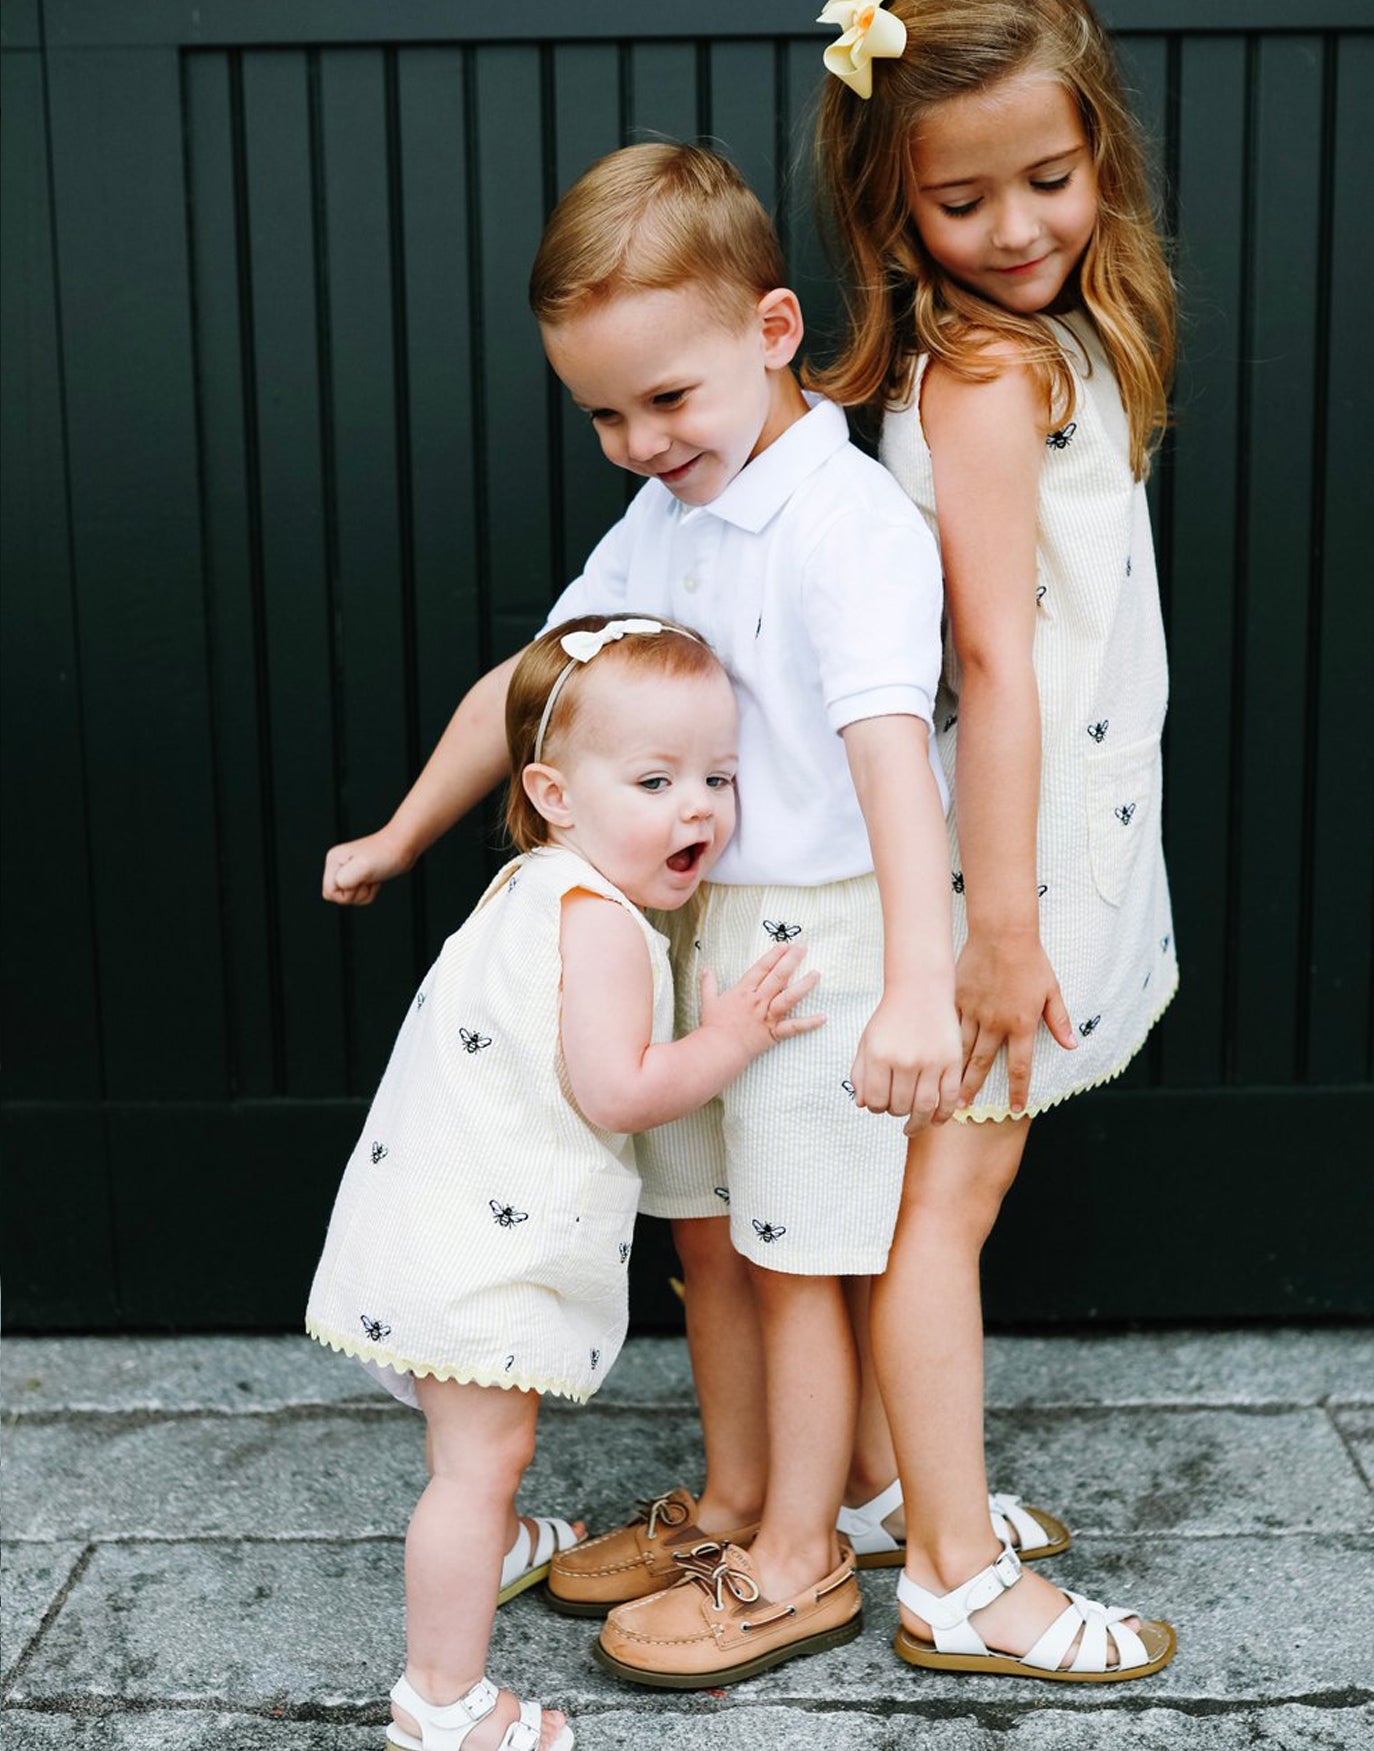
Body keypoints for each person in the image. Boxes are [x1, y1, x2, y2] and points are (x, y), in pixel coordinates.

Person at [323, 141, 977, 1686]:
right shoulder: (672, 516)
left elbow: (895, 757)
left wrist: (917, 982)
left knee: (803, 1253)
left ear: (770, 330)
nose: (634, 440)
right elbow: (531, 684)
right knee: (708, 1243)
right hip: (691, 929)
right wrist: (407, 829)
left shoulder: (845, 522)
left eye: (663, 400)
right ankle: (738, 1496)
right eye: (602, 412)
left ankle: (800, 1554)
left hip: (820, 935)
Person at [806, 0, 1179, 1679]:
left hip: (1043, 824)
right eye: (966, 206)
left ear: (1095, 148)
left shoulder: (1044, 340)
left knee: (942, 1193)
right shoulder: (981, 376)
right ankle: (953, 1575)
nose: (1018, 228)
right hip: (995, 854)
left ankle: (893, 1486)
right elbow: (986, 659)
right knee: (944, 1204)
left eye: (1049, 176)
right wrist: (998, 924)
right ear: (896, 209)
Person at [306, 613, 823, 1749]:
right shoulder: (600, 927)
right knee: (475, 1466)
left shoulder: (535, 886)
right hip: (483, 1250)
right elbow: (620, 1091)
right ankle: (442, 1701)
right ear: (552, 790)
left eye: (719, 776)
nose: (699, 805)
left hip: (429, 1217)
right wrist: (733, 1034)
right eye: (655, 778)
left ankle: (493, 1548)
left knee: (476, 1453)